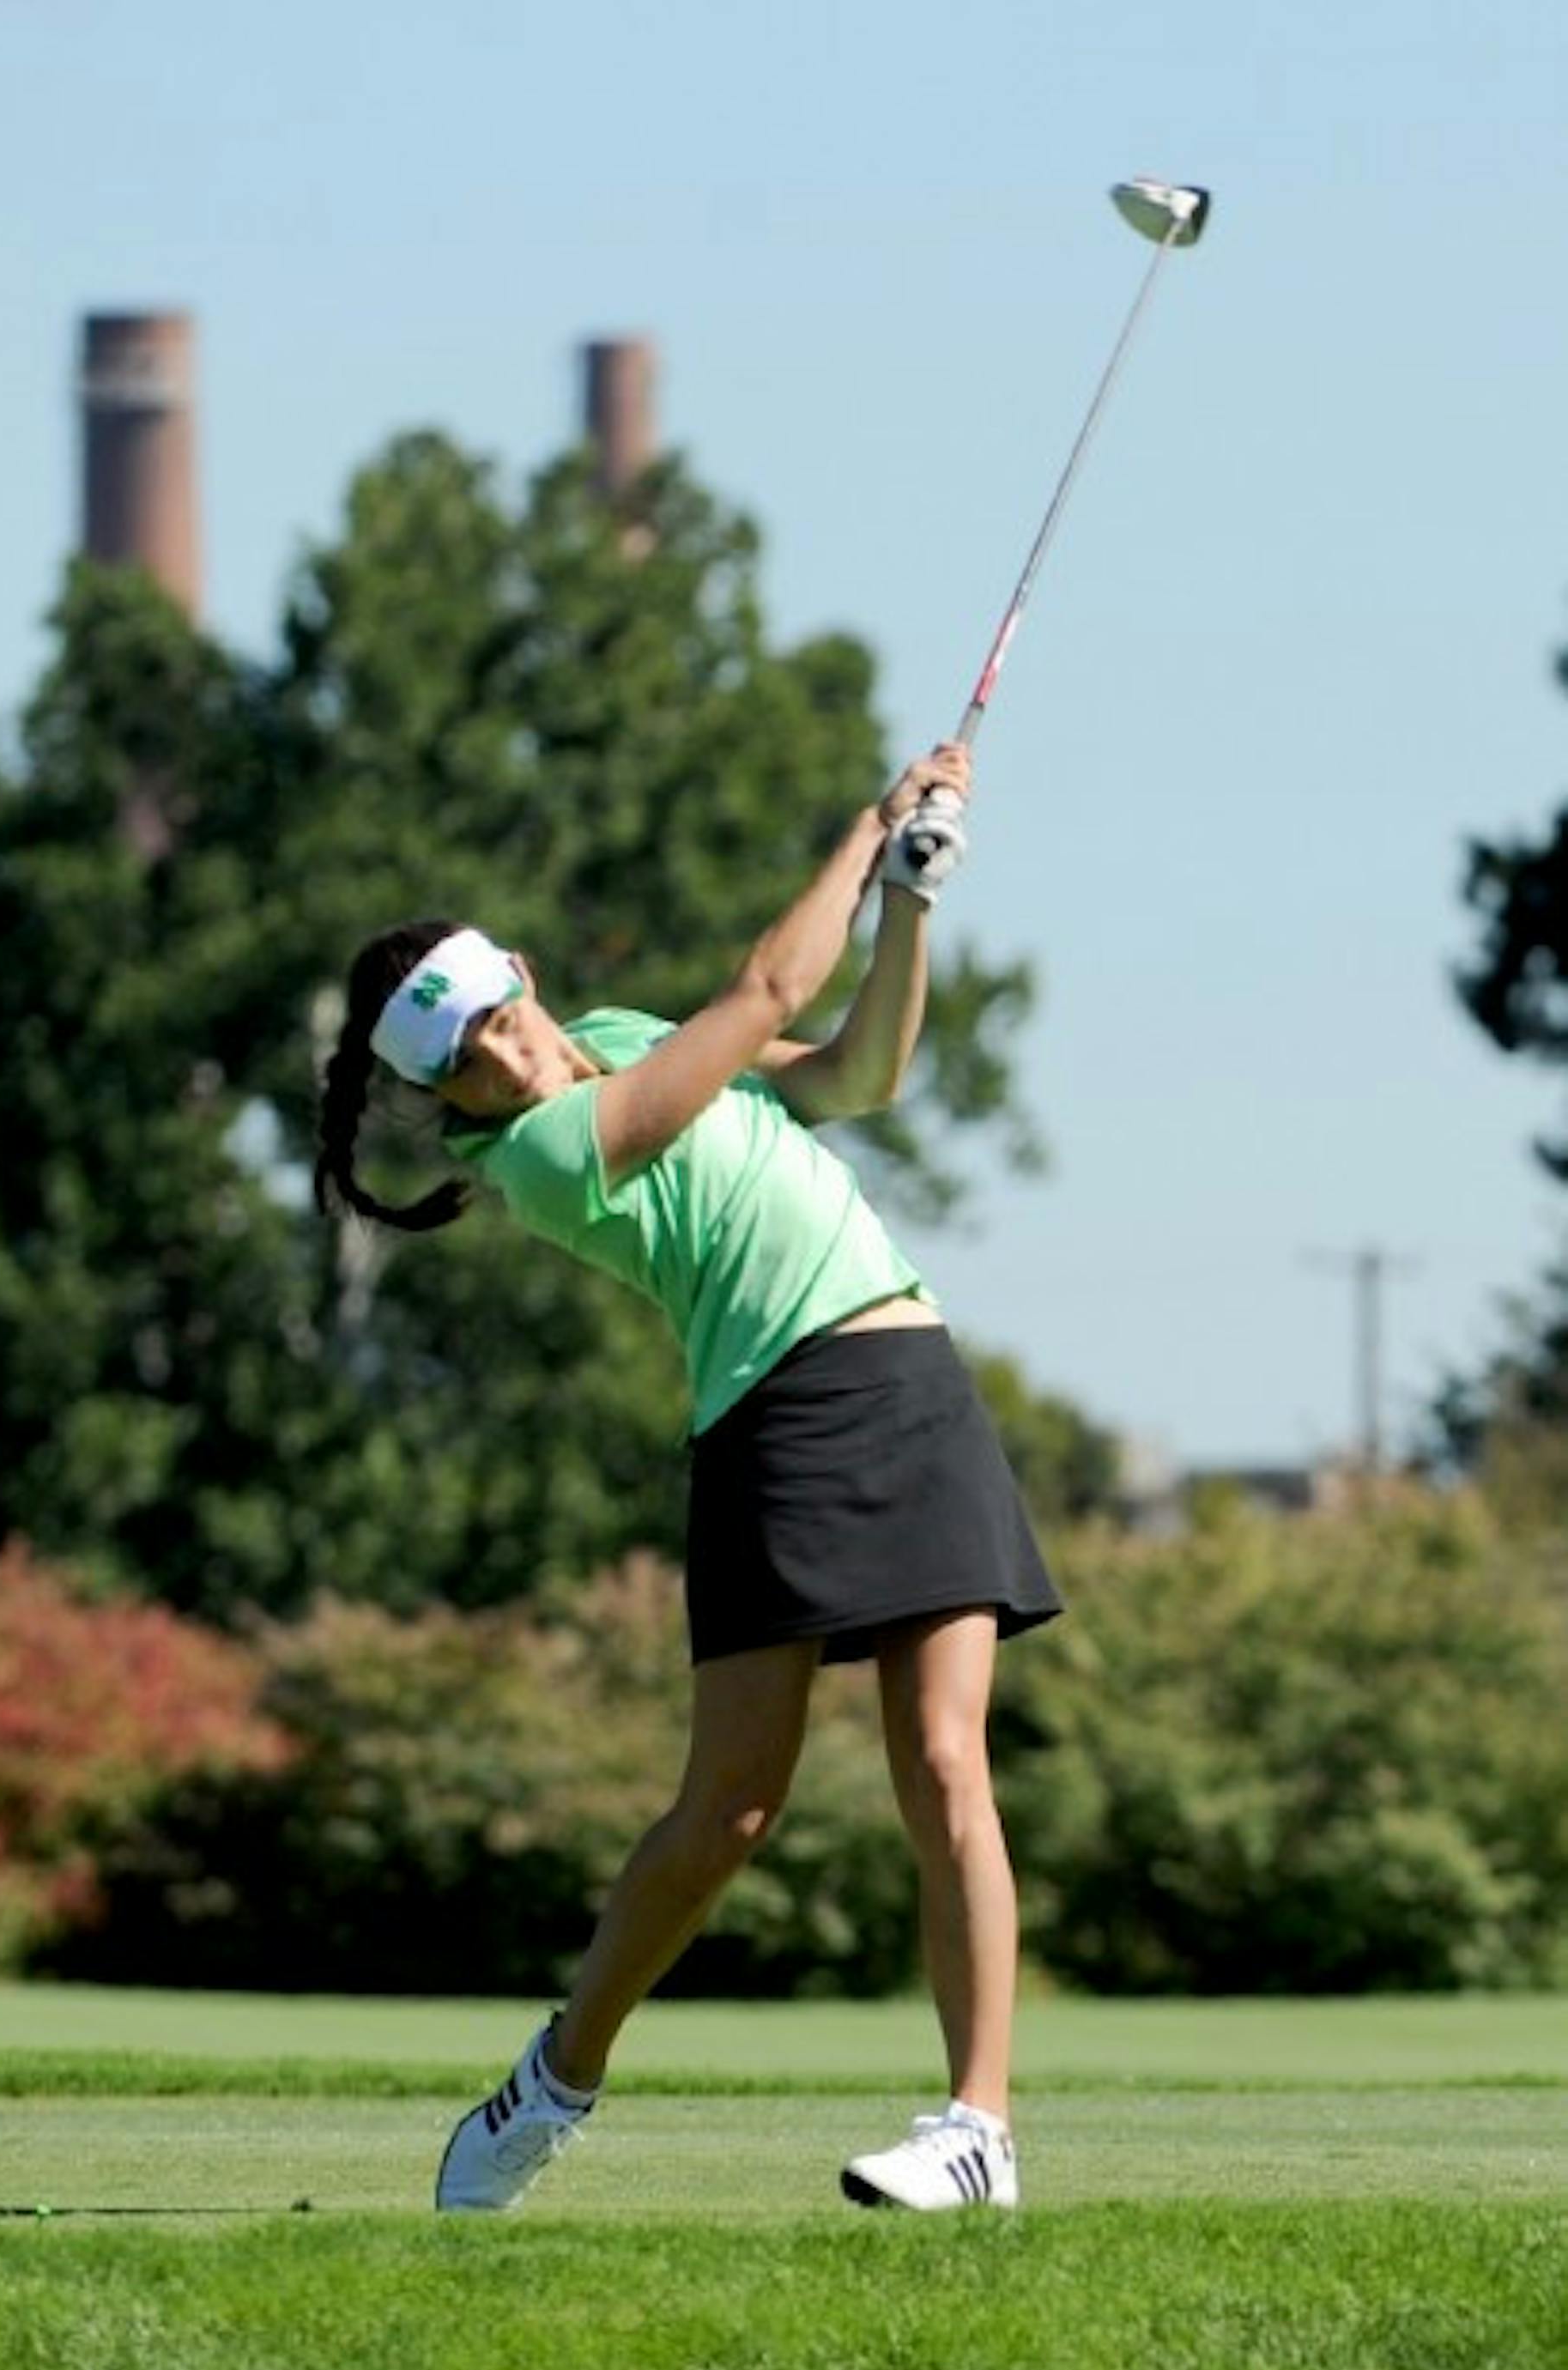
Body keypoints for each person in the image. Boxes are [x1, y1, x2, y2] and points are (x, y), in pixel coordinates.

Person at [313, 740, 1062, 2215]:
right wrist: (869, 819)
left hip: (910, 1384)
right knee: (729, 1811)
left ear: (522, 976)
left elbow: (855, 1071)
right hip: (773, 1422)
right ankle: (556, 2079)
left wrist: (907, 901)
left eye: (501, 1016)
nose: (507, 1051)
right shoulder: (540, 1154)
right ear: (445, 1092)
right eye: (467, 1056)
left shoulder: (610, 1026)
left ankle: (979, 2130)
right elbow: (769, 996)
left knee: (947, 1763)